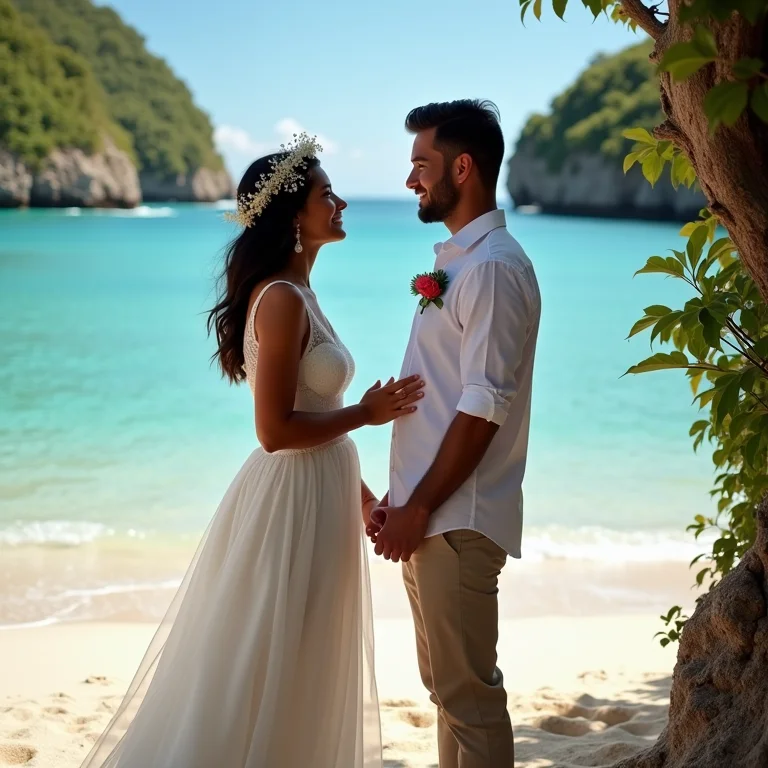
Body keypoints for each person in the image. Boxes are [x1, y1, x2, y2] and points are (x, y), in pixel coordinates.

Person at [79, 133, 424, 768]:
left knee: (307, 658)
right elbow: (275, 432)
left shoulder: (300, 294)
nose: (341, 202)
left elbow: (315, 422)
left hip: (319, 496)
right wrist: (369, 414)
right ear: (295, 216)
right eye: (327, 194)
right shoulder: (283, 299)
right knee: (270, 660)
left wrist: (365, 500)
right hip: (288, 504)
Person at [368, 100, 542, 768]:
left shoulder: (493, 267)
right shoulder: (463, 263)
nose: (411, 180)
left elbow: (482, 408)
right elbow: (444, 399)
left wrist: (418, 505)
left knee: (469, 698)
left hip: (455, 517)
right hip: (430, 512)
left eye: (422, 165)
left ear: (462, 168)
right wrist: (401, 494)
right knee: (447, 694)